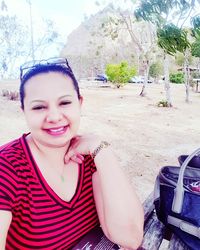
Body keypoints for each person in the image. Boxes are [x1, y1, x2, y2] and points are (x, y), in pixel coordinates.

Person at [0, 57, 144, 250]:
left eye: (65, 103)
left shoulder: (90, 158)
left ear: (79, 103)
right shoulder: (7, 168)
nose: (54, 117)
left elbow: (130, 238)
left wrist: (102, 149)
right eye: (39, 107)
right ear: (24, 111)